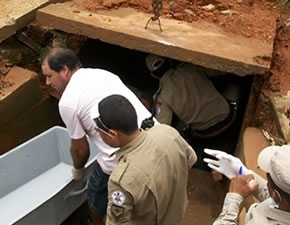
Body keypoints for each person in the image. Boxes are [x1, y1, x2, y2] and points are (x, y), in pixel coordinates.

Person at [40, 47, 158, 225]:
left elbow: (81, 150)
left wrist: (78, 170)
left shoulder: (68, 102)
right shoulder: (103, 74)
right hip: (154, 137)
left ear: (64, 70)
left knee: (95, 192)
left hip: (123, 157)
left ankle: (96, 221)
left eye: (49, 76)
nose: (48, 82)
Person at [91, 94, 197, 225]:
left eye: (99, 130)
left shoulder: (121, 181)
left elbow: (118, 223)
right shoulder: (167, 132)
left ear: (113, 134)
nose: (98, 134)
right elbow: (191, 159)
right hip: (176, 215)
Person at [145, 54, 237, 138]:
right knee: (234, 84)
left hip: (206, 132)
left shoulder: (161, 96)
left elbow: (163, 126)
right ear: (169, 62)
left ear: (153, 75)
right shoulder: (190, 68)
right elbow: (220, 71)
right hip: (228, 117)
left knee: (181, 127)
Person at [203, 145, 290, 225]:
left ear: (276, 196)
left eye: (268, 183)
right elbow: (278, 203)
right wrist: (246, 174)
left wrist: (234, 197)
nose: (266, 184)